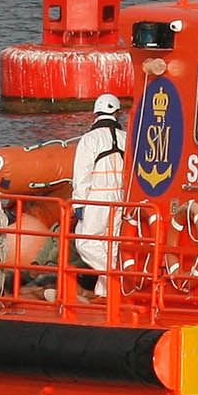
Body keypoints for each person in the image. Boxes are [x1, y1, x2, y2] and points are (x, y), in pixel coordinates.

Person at [70, 93, 128, 293]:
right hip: (120, 198)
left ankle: (116, 275)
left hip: (98, 197)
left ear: (95, 113)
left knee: (85, 242)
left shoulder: (89, 139)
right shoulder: (125, 138)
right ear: (117, 113)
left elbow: (82, 174)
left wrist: (79, 204)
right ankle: (105, 292)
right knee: (111, 246)